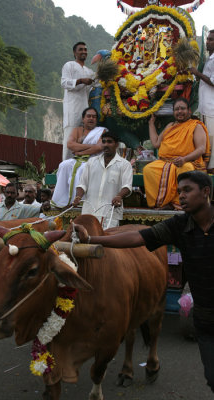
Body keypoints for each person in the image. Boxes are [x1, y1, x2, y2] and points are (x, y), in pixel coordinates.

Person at [74, 170, 214, 395]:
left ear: (206, 192)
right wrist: (91, 240)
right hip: (205, 320)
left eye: (187, 190)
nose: (181, 196)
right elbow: (138, 237)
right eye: (179, 192)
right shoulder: (179, 225)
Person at [143, 97, 210, 210]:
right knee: (149, 169)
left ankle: (179, 204)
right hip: (166, 162)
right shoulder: (170, 126)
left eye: (182, 108)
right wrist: (151, 124)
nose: (179, 111)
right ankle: (163, 203)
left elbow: (201, 149)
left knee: (185, 169)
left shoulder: (196, 125)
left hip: (188, 161)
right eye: (176, 109)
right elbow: (155, 143)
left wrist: (184, 159)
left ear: (189, 111)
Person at [72, 131, 133, 229]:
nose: (106, 145)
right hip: (89, 213)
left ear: (116, 144)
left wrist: (119, 196)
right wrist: (78, 197)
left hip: (110, 214)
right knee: (88, 242)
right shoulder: (92, 162)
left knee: (106, 242)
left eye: (109, 142)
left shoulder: (124, 164)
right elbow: (82, 184)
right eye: (104, 142)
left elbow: (127, 186)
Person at [51, 107, 106, 208]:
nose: (91, 119)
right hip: (77, 159)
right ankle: (61, 200)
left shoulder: (102, 131)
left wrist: (80, 152)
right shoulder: (77, 130)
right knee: (64, 165)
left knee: (83, 169)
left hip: (94, 159)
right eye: (88, 116)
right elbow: (70, 145)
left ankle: (79, 201)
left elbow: (99, 148)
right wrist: (90, 146)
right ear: (83, 119)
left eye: (94, 117)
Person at [61, 41, 96, 160]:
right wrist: (80, 80)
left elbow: (96, 86)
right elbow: (64, 82)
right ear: (74, 53)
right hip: (72, 109)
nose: (83, 52)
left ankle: (79, 167)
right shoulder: (69, 65)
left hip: (86, 110)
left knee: (84, 140)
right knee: (70, 139)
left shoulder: (89, 71)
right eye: (80, 50)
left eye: (85, 50)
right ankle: (65, 168)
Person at [189, 30, 214, 172]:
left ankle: (210, 171)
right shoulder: (209, 58)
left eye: (211, 40)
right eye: (208, 39)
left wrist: (197, 73)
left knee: (211, 141)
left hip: (211, 109)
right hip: (205, 107)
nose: (208, 42)